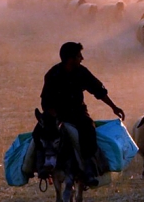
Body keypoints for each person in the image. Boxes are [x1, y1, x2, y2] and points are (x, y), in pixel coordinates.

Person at [33, 42, 125, 187]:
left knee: (88, 129)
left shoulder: (82, 72)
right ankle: (41, 166)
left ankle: (88, 169)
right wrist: (55, 117)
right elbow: (46, 101)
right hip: (55, 114)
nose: (82, 58)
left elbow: (98, 90)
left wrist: (113, 107)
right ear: (70, 59)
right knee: (38, 132)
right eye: (79, 56)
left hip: (77, 113)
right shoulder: (52, 75)